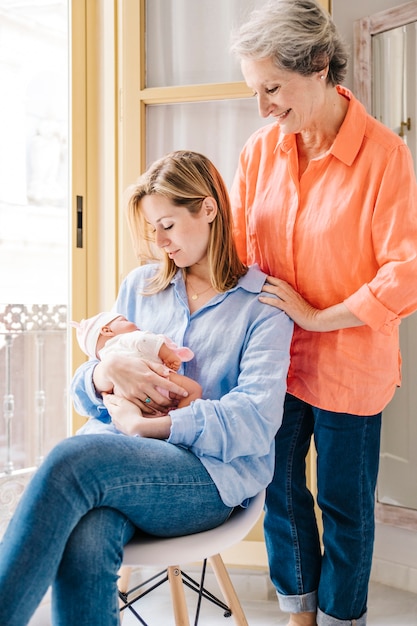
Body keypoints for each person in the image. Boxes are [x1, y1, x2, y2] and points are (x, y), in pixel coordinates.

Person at [0, 150, 293, 626]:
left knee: (72, 459)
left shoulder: (263, 306)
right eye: (151, 229)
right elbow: (83, 394)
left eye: (168, 226)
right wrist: (106, 371)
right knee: (88, 536)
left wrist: (157, 425)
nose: (158, 242)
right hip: (120, 462)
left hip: (206, 479)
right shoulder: (140, 287)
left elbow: (256, 423)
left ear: (208, 209)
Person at [230, 2, 417, 626]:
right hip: (274, 363)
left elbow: (404, 269)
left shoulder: (384, 155)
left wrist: (317, 316)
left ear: (317, 65)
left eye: (272, 89)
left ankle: (342, 618)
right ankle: (298, 612)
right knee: (278, 493)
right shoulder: (261, 151)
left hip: (348, 361)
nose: (263, 107)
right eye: (255, 91)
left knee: (343, 506)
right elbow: (235, 249)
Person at [71, 311, 202, 434]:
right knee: (193, 390)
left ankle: (154, 421)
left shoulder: (105, 356)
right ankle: (177, 418)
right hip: (160, 380)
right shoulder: (126, 338)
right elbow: (147, 340)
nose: (133, 323)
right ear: (107, 330)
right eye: (125, 320)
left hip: (132, 400)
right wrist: (168, 356)